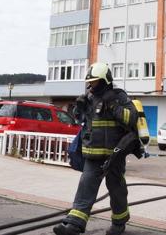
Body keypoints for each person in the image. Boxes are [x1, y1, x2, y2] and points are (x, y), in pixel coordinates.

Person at [53, 62, 139, 235]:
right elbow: (80, 121)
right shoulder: (90, 98)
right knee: (85, 187)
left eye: (94, 82)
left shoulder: (119, 96)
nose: (91, 85)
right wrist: (79, 108)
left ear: (105, 80)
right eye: (89, 82)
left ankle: (119, 223)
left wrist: (113, 105)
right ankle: (74, 225)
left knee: (116, 190)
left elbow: (131, 118)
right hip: (92, 154)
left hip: (114, 155)